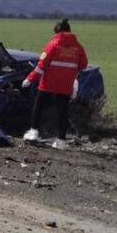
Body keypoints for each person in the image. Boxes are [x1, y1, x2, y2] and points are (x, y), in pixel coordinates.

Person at [22, 18, 88, 149]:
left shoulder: (53, 44)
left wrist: (29, 79)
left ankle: (33, 132)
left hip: (48, 84)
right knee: (62, 112)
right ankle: (61, 141)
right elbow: (84, 65)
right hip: (65, 85)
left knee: (38, 106)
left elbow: (41, 66)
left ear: (56, 31)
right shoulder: (78, 47)